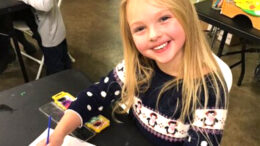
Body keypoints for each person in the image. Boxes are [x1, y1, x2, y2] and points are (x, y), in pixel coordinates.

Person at [37, 0, 232, 145]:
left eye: (164, 18)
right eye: (140, 28)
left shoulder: (210, 91)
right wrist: (59, 134)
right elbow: (95, 95)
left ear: (186, 16)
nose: (154, 35)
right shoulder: (138, 66)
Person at [20, 0, 71, 75]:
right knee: (63, 58)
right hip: (53, 31)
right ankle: (67, 75)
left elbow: (46, 5)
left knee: (55, 68)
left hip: (51, 34)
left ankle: (61, 81)